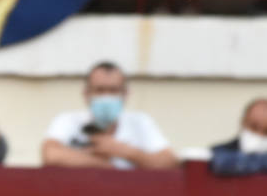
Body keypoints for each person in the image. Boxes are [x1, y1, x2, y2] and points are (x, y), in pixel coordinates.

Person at [41, 61, 178, 171]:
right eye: (99, 90)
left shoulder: (140, 122)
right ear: (86, 94)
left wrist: (122, 151)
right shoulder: (68, 120)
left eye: (113, 90)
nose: (106, 96)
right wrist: (107, 167)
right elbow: (51, 154)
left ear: (125, 94)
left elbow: (169, 162)